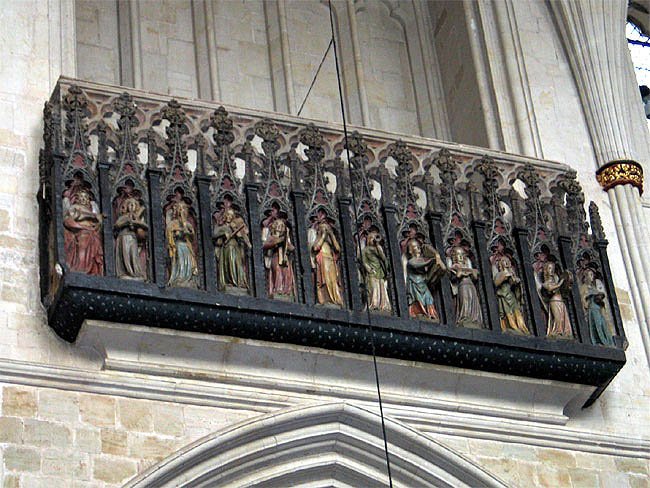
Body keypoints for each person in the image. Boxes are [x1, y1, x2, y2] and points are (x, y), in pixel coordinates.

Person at [63, 189, 104, 275]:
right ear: (77, 199)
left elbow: (97, 224)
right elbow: (73, 217)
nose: (83, 198)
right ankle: (80, 269)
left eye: (85, 197)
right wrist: (92, 216)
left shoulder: (90, 209)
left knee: (94, 252)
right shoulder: (75, 207)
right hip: (82, 232)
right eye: (81, 197)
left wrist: (98, 222)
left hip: (92, 233)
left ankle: (93, 270)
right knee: (83, 249)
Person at [405, 239, 445, 320]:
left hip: (423, 283)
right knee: (418, 299)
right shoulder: (411, 262)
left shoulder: (423, 259)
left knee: (429, 298)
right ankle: (419, 313)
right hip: (415, 284)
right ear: (410, 250)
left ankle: (431, 314)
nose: (418, 248)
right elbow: (417, 264)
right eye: (416, 247)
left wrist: (436, 255)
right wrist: (432, 260)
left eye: (419, 246)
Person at [213, 208, 250, 291]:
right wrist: (223, 233)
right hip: (227, 247)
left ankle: (239, 282)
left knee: (237, 264)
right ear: (225, 216)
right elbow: (214, 235)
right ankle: (229, 281)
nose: (229, 217)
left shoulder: (234, 226)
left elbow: (241, 236)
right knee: (229, 262)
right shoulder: (222, 226)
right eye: (228, 215)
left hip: (235, 247)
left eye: (231, 215)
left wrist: (241, 233)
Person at [310, 216, 344, 306]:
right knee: (325, 281)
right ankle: (325, 299)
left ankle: (335, 300)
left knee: (333, 281)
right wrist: (323, 236)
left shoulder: (329, 243)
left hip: (331, 262)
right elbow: (315, 248)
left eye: (327, 229)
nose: (326, 230)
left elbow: (338, 249)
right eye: (323, 229)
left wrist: (331, 235)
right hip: (323, 262)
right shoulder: (318, 240)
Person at [262, 207, 295, 299]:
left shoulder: (285, 237)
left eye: (281, 226)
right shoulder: (272, 237)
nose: (279, 228)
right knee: (277, 271)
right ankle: (277, 290)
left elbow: (291, 248)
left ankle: (286, 291)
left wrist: (286, 244)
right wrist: (277, 242)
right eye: (277, 225)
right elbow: (264, 245)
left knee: (286, 273)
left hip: (284, 258)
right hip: (275, 256)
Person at [492, 254, 529, 334]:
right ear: (500, 264)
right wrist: (504, 276)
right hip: (504, 295)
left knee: (516, 310)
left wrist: (516, 281)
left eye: (507, 261)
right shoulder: (500, 274)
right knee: (508, 312)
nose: (506, 263)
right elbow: (496, 283)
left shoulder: (512, 273)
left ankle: (521, 327)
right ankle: (512, 327)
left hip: (511, 295)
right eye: (504, 261)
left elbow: (513, 284)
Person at [449, 246, 483, 328]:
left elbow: (475, 277)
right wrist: (463, 272)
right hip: (463, 285)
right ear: (454, 257)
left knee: (472, 300)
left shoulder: (467, 266)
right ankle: (464, 317)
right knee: (465, 300)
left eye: (462, 255)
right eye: (458, 255)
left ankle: (474, 319)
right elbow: (456, 276)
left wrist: (468, 271)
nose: (461, 257)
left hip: (471, 285)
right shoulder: (454, 267)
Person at [166, 201, 198, 287]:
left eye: (184, 209)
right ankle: (179, 276)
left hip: (186, 246)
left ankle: (188, 277)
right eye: (180, 209)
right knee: (179, 258)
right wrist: (176, 232)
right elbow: (170, 234)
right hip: (178, 245)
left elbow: (192, 235)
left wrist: (184, 225)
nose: (182, 211)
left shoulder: (188, 224)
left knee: (188, 260)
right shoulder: (173, 223)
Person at [114, 197, 148, 280]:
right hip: (124, 237)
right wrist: (127, 222)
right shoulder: (124, 216)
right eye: (130, 205)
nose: (132, 207)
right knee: (125, 254)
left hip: (132, 237)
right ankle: (126, 272)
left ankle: (135, 273)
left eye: (133, 205)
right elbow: (117, 224)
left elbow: (145, 226)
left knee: (133, 254)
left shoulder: (135, 217)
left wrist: (135, 222)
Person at [580, 268, 615, 346]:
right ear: (586, 276)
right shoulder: (584, 287)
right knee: (597, 324)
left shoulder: (594, 287)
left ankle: (607, 342)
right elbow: (582, 298)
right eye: (590, 275)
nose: (592, 277)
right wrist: (586, 302)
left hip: (598, 308)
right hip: (592, 308)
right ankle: (599, 341)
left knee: (603, 325)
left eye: (592, 275)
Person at [360, 230, 391, 312]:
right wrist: (369, 269)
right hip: (372, 271)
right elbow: (363, 261)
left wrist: (378, 246)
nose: (373, 240)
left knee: (381, 287)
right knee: (373, 287)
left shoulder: (378, 249)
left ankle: (383, 305)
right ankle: (374, 304)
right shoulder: (365, 250)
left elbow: (383, 258)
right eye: (372, 238)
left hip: (379, 271)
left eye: (375, 238)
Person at [540, 261, 573, 338]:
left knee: (563, 319)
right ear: (546, 270)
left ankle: (564, 333)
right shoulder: (546, 283)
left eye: (553, 268)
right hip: (554, 301)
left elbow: (564, 290)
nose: (551, 270)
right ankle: (557, 332)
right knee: (557, 318)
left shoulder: (555, 281)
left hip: (561, 301)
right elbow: (550, 288)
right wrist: (561, 282)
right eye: (549, 268)